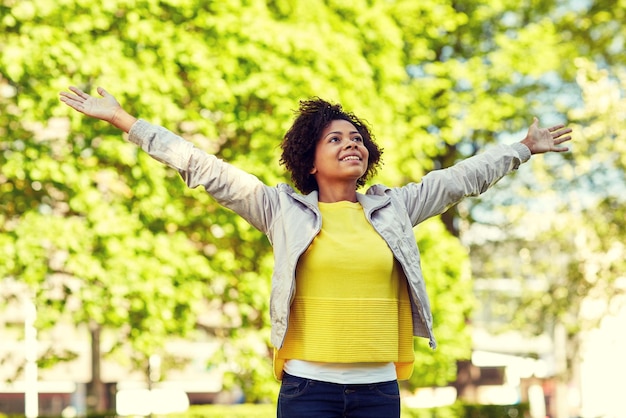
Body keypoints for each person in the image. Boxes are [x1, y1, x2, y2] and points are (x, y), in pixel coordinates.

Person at [59, 86, 572, 418]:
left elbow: (462, 179)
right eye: (335, 139)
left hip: (378, 391)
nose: (351, 144)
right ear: (310, 159)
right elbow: (201, 166)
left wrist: (522, 147)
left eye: (356, 138)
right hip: (309, 391)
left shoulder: (397, 208)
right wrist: (124, 119)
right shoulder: (279, 210)